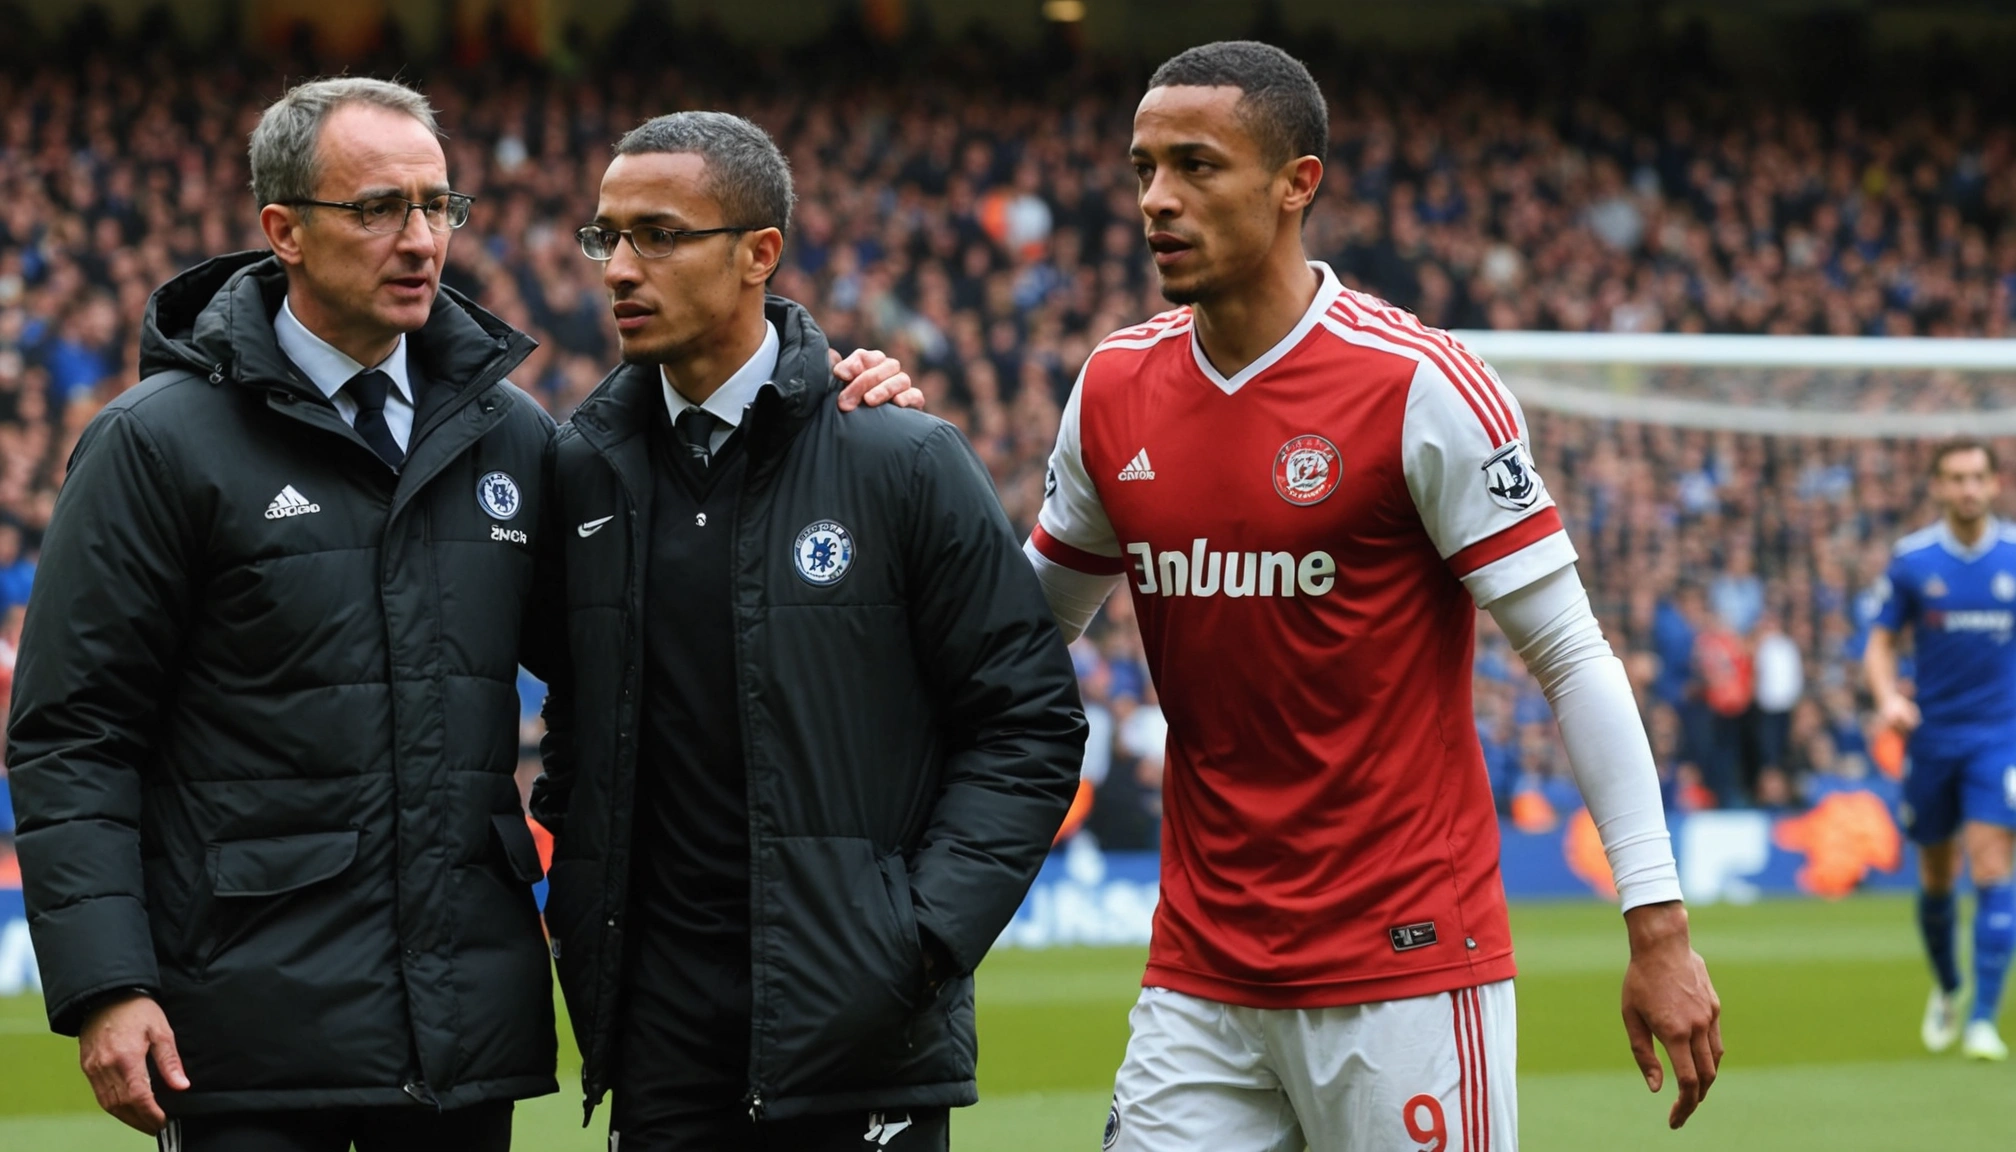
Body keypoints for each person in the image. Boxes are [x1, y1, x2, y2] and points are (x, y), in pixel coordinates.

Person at [4, 78, 915, 1152]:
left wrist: (822, 415)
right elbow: (75, 733)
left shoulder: (516, 438)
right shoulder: (155, 443)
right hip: (244, 1039)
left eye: (438, 206)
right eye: (378, 208)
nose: (420, 239)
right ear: (284, 231)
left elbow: (622, 664)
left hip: (461, 1044)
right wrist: (108, 983)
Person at [1020, 41, 1722, 1150]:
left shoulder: (1417, 383)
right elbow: (1022, 636)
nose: (1156, 198)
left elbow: (1571, 654)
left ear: (1295, 183)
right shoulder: (1114, 387)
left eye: (1196, 166)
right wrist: (901, 465)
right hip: (1202, 973)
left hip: (1407, 971)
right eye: (1144, 168)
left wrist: (1659, 925)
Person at [530, 111, 1087, 1151]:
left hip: (856, 1026)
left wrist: (920, 942)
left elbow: (1029, 723)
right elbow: (578, 709)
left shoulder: (901, 458)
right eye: (607, 236)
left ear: (759, 253)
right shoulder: (581, 470)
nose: (620, 268)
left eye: (660, 235)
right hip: (658, 1035)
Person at [1865, 439, 2016, 1062]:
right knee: (1935, 876)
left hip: (1999, 738)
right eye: (1956, 478)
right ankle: (1950, 987)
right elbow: (1879, 642)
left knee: (1992, 866)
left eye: (1977, 477)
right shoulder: (1912, 561)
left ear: (1994, 483)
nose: (1968, 489)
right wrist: (1887, 698)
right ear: (1938, 486)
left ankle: (1983, 1019)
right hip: (1930, 737)